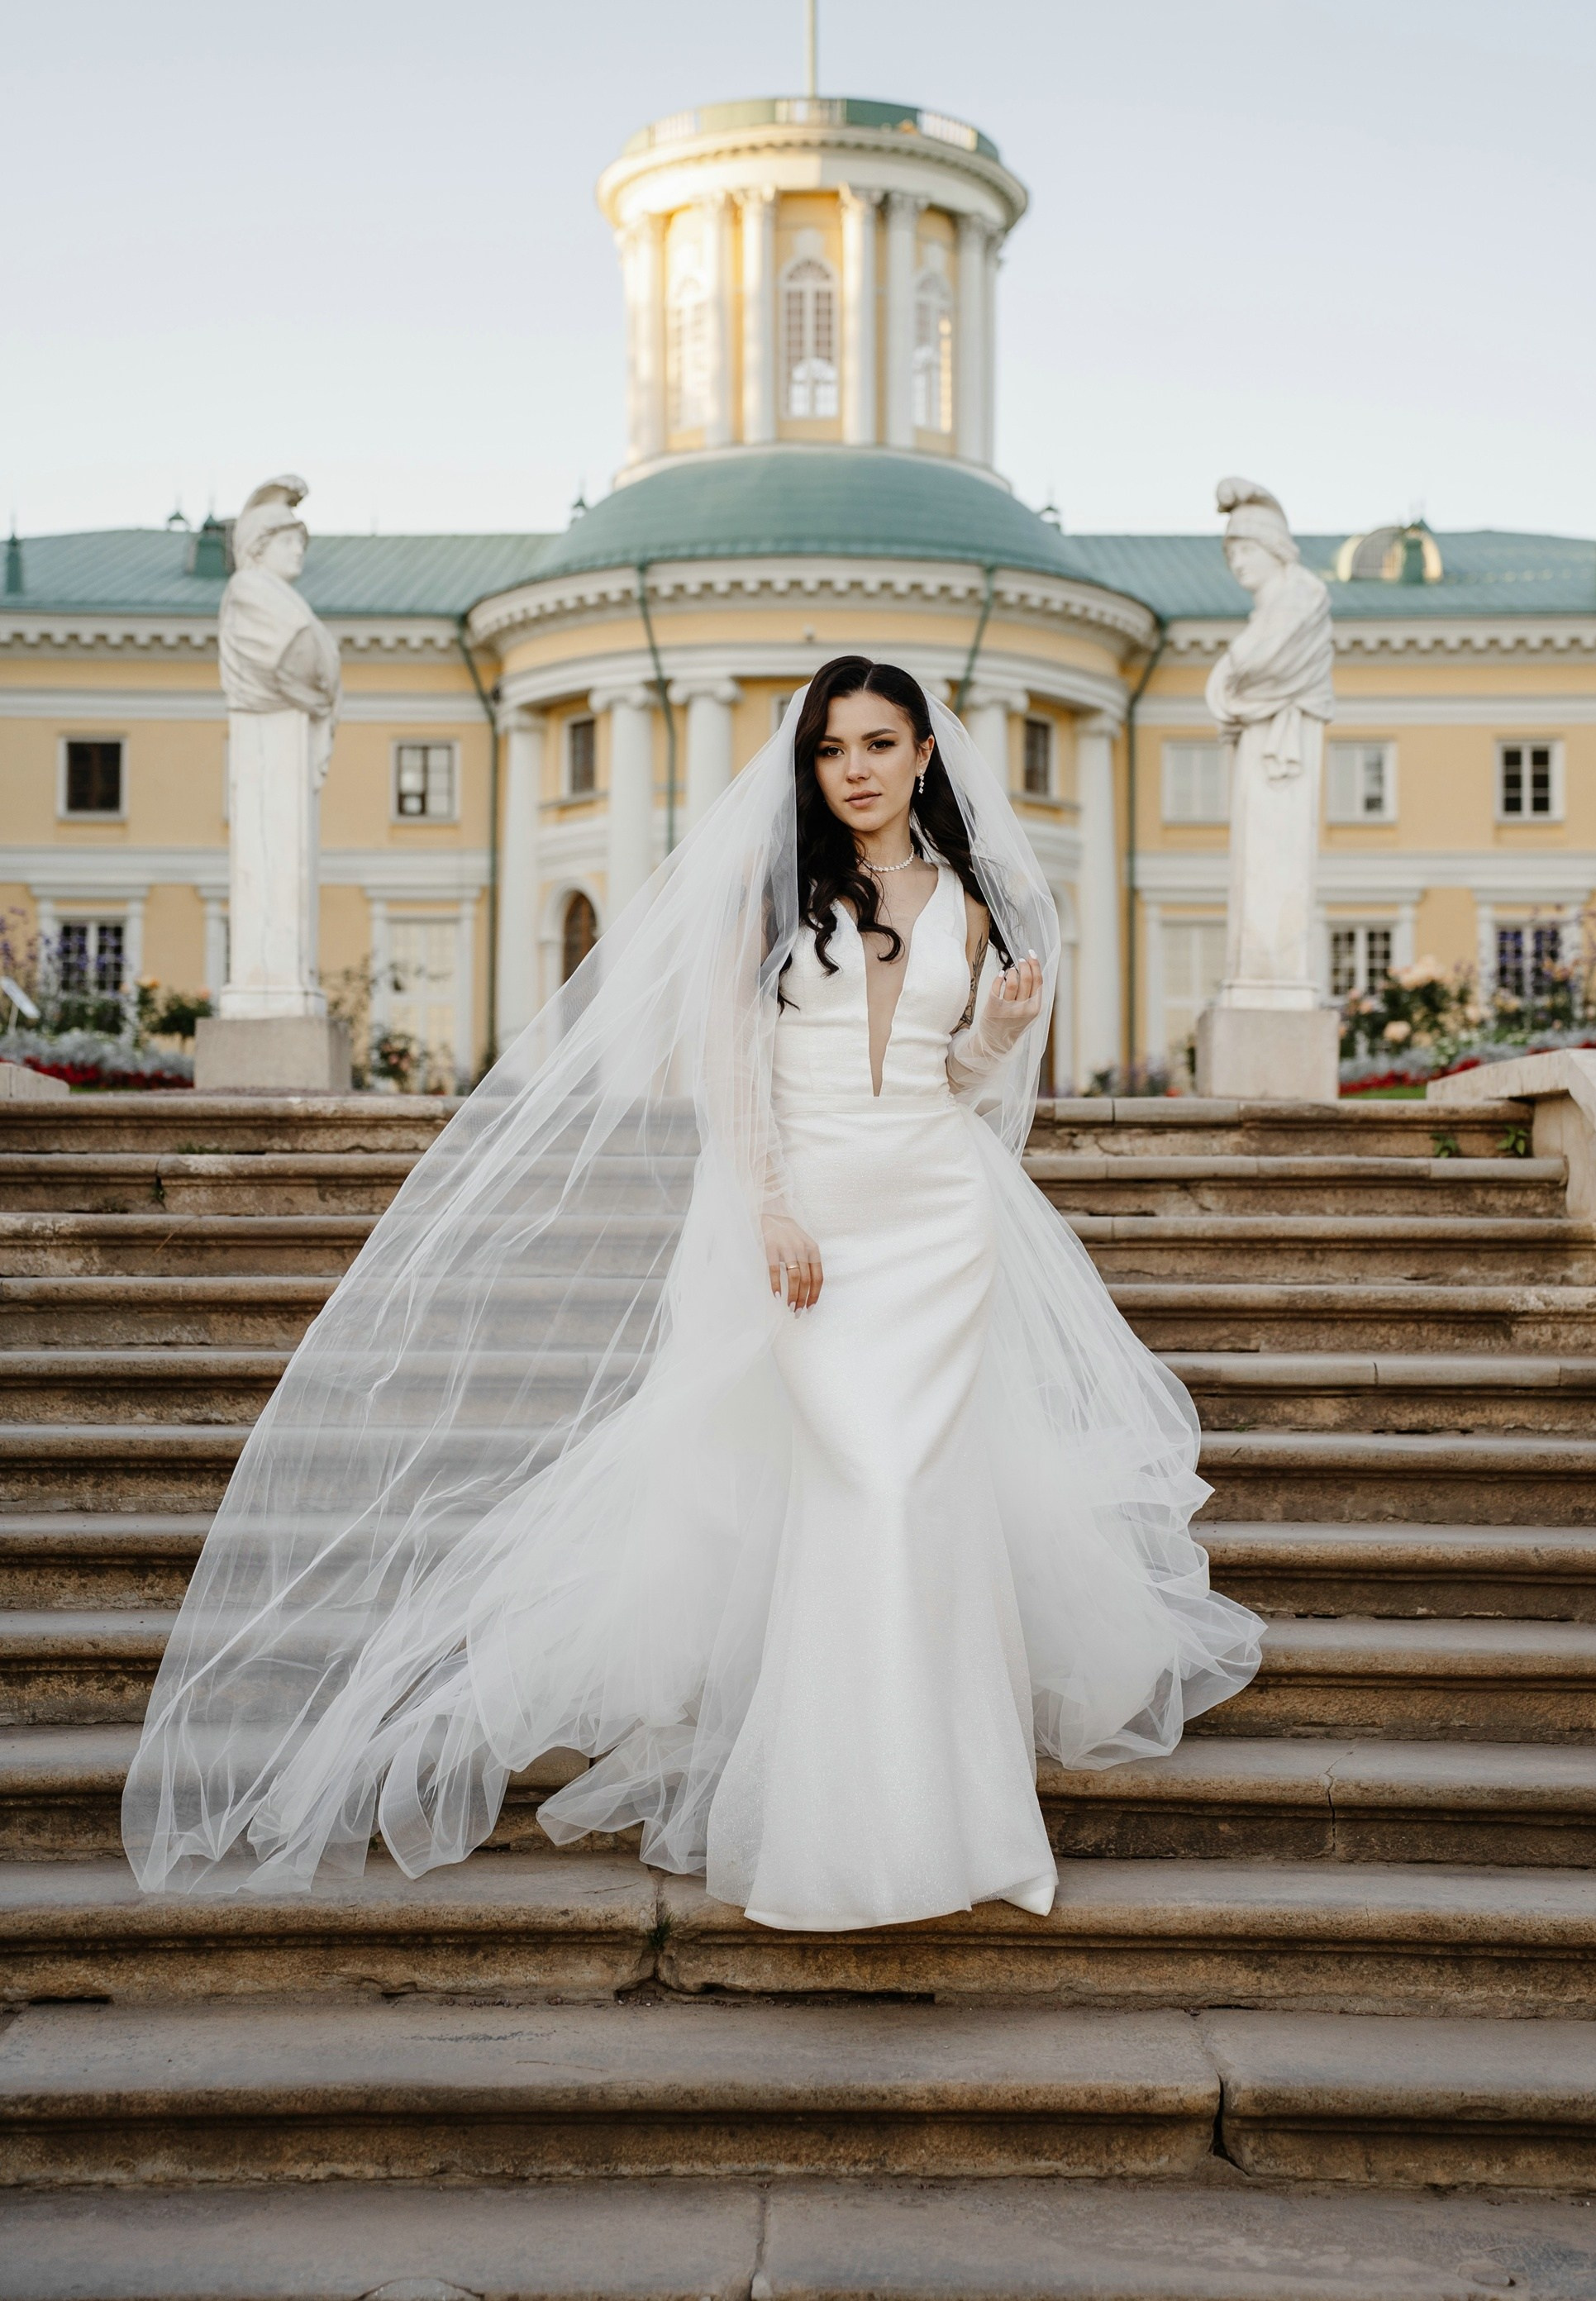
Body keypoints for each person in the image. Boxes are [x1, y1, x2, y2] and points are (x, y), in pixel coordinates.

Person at [123, 656, 1261, 1929]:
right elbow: (731, 1062)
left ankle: (961, 1813)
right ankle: (840, 1829)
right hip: (813, 1215)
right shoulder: (768, 887)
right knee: (861, 1486)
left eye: (882, 745)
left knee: (920, 1501)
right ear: (812, 764)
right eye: (835, 750)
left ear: (926, 755)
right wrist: (771, 1201)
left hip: (940, 1217)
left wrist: (1002, 1023)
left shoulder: (971, 901)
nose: (859, 770)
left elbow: (957, 1083)